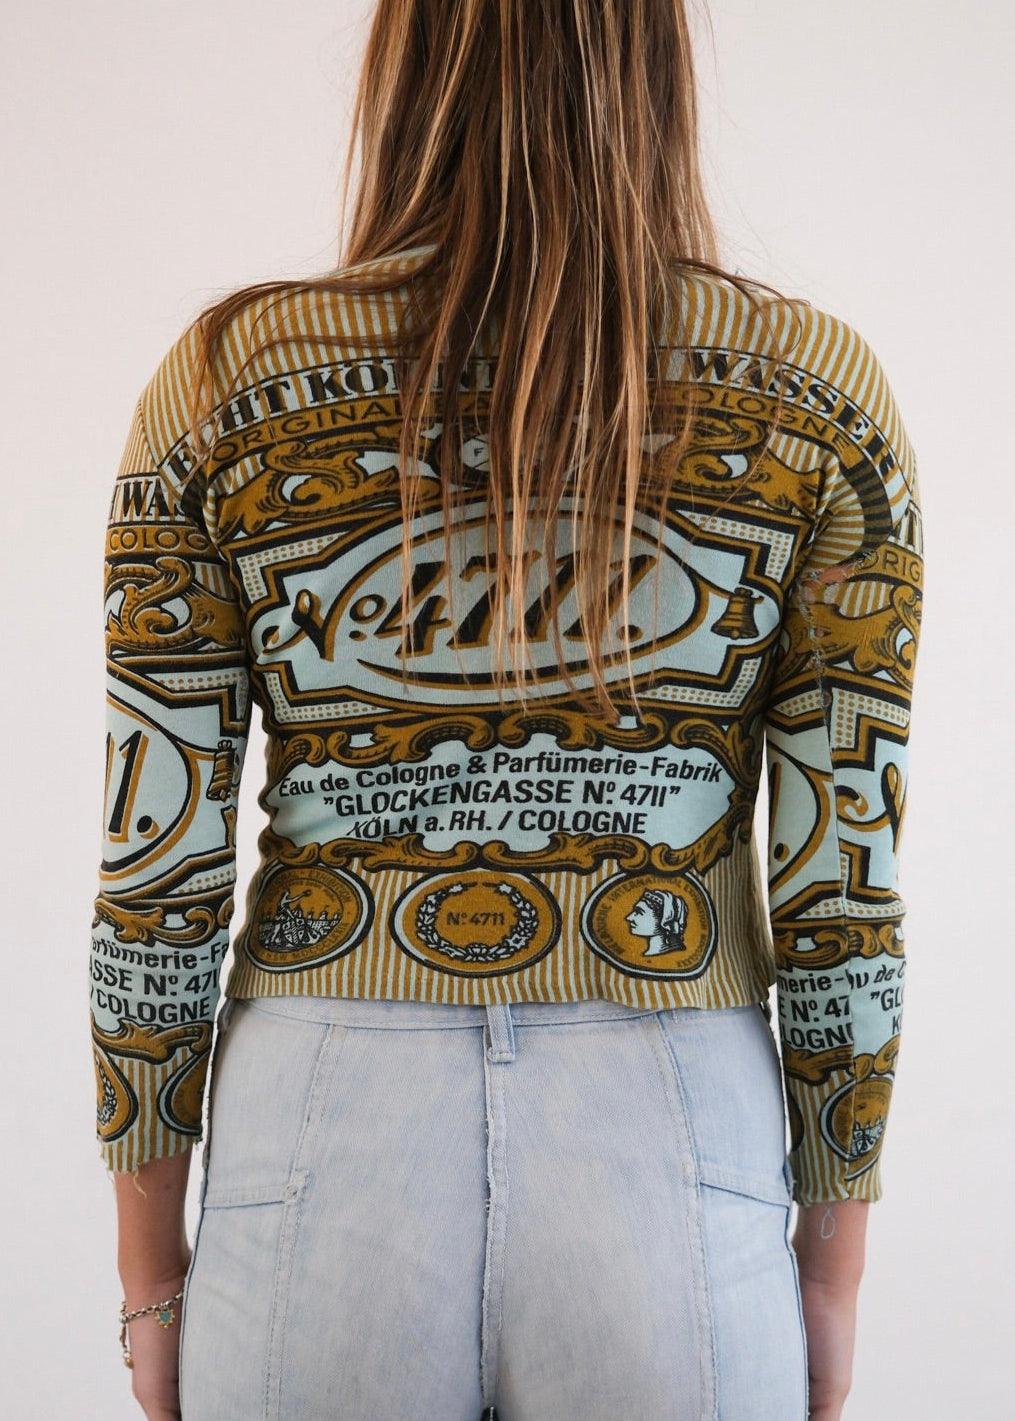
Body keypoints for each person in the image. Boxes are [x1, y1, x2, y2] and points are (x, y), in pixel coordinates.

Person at [90, 3, 923, 1419]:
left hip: (319, 1132)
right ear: (653, 68)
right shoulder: (818, 404)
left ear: (405, 61)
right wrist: (833, 1273)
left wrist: (149, 1273)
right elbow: (843, 890)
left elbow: (154, 873)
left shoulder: (228, 388)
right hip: (675, 1132)